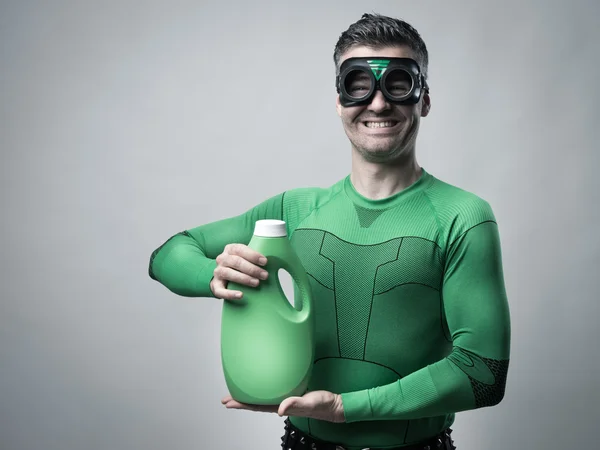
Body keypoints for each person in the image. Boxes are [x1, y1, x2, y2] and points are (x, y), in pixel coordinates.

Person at [148, 12, 511, 450]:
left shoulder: (462, 218)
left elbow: (483, 374)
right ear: (339, 100)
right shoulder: (292, 211)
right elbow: (167, 255)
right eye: (358, 83)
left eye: (398, 83)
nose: (378, 103)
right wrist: (215, 275)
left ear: (425, 99)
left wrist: (347, 407)